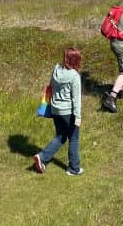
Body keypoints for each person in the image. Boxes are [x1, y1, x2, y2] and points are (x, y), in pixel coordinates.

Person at [32, 47, 84, 176]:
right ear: (77, 61)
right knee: (73, 139)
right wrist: (77, 117)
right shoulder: (74, 76)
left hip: (55, 110)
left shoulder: (56, 70)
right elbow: (76, 99)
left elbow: (50, 88)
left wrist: (44, 107)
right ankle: (74, 168)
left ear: (65, 58)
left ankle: (42, 158)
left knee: (60, 136)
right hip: (68, 113)